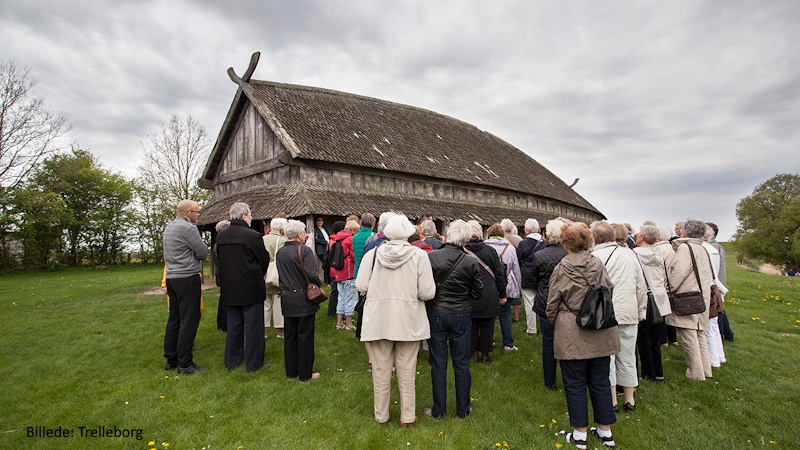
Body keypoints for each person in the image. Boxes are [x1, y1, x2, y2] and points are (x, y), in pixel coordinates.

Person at [356, 214, 436, 426]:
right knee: (407, 369)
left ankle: (381, 415)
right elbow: (427, 292)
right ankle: (407, 416)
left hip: (379, 318)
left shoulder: (372, 255)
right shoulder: (419, 256)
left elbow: (361, 285)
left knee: (380, 369)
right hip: (408, 318)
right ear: (408, 233)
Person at [547, 221, 618, 450]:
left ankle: (580, 435)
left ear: (565, 243)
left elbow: (552, 303)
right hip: (598, 326)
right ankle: (606, 432)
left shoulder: (562, 268)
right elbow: (609, 290)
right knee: (600, 381)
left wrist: (557, 323)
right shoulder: (598, 264)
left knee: (575, 383)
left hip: (572, 330)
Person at [425, 220, 483, 419]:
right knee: (462, 363)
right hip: (461, 314)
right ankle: (463, 409)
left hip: (437, 313)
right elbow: (478, 292)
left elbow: (426, 287)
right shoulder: (471, 262)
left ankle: (438, 410)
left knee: (438, 362)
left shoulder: (432, 257)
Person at [590, 221, 646, 412]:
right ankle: (629, 399)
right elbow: (640, 285)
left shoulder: (595, 257)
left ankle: (612, 399)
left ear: (595, 238)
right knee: (628, 355)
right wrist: (641, 310)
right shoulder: (630, 254)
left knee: (608, 357)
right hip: (628, 311)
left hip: (605, 312)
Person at [217, 202, 271, 372]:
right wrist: (256, 274)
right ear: (243, 216)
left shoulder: (221, 236)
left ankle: (232, 361)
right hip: (250, 288)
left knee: (234, 326)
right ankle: (254, 363)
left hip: (230, 288)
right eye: (250, 214)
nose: (251, 217)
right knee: (254, 327)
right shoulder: (252, 235)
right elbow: (264, 260)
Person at [163, 199, 208, 374]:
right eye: (197, 211)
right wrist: (193, 253)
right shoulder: (189, 228)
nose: (198, 214)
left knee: (175, 317)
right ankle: (185, 363)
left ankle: (171, 358)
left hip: (172, 277)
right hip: (187, 277)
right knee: (190, 319)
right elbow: (203, 252)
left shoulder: (170, 227)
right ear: (189, 213)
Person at [666, 219, 714, 381]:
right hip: (700, 295)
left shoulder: (685, 248)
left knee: (688, 336)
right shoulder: (702, 248)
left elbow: (678, 273)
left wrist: (669, 288)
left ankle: (695, 373)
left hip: (687, 296)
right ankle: (706, 369)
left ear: (686, 232)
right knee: (699, 335)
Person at [276, 219, 323, 382]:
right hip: (303, 298)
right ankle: (305, 374)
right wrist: (318, 281)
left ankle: (291, 372)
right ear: (298, 234)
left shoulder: (280, 252)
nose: (305, 234)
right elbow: (312, 274)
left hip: (287, 297)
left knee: (290, 336)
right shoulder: (304, 250)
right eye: (303, 232)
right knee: (305, 336)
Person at [531, 218, 568, 389]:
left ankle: (550, 382)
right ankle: (569, 379)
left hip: (545, 301)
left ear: (547, 236)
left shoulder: (539, 255)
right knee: (568, 341)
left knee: (548, 342)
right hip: (566, 303)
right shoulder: (569, 255)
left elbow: (534, 280)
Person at [633, 224, 671, 382]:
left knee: (644, 338)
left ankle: (649, 373)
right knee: (655, 338)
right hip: (659, 296)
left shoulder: (636, 254)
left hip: (646, 297)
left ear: (642, 237)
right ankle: (658, 372)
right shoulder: (658, 252)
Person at [465, 220, 506, 364]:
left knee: (472, 324)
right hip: (488, 291)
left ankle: (473, 353)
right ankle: (485, 354)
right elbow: (499, 273)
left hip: (469, 292)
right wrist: (502, 293)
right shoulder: (490, 251)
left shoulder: (463, 251)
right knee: (487, 325)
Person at [485, 223, 521, 352]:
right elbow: (516, 270)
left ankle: (489, 341)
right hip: (506, 284)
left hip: (488, 284)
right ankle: (508, 344)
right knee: (505, 315)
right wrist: (518, 288)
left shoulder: (485, 246)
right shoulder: (510, 248)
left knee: (490, 316)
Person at [702, 225, 727, 368]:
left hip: (708, 288)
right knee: (713, 326)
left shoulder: (705, 249)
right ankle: (719, 356)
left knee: (709, 327)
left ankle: (713, 360)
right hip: (714, 287)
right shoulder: (712, 249)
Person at [518, 218, 547, 333]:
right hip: (541, 274)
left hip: (527, 275)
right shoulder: (545, 242)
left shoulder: (523, 243)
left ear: (527, 231)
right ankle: (542, 323)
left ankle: (531, 329)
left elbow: (518, 258)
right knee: (541, 300)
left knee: (529, 302)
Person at [707, 222, 734, 342]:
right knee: (719, 310)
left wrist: (720, 286)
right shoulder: (713, 246)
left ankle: (724, 333)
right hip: (716, 284)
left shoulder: (715, 248)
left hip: (716, 284)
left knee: (717, 310)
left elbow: (720, 269)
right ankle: (728, 334)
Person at [262, 217, 288, 339]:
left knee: (265, 304)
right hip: (277, 274)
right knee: (278, 305)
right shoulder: (282, 240)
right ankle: (280, 332)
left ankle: (264, 332)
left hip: (264, 273)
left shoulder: (263, 239)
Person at [331, 220, 358, 330]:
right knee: (350, 298)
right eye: (356, 231)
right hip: (348, 272)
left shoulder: (338, 238)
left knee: (341, 298)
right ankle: (349, 324)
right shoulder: (350, 239)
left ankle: (339, 323)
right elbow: (353, 256)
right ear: (352, 230)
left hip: (339, 272)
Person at [213, 220, 231, 332]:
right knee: (226, 300)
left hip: (220, 273)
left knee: (223, 298)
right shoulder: (221, 244)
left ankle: (221, 322)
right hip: (224, 274)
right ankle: (225, 324)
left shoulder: (217, 244)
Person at [326, 220, 345, 317]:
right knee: (340, 292)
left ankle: (331, 312)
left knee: (334, 292)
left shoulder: (332, 240)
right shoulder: (338, 241)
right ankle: (340, 313)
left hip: (332, 269)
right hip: (338, 268)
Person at [314, 216, 330, 283]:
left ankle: (328, 281)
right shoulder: (315, 229)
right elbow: (316, 239)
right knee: (326, 264)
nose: (320, 221)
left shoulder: (324, 229)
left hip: (328, 248)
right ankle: (327, 281)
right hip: (321, 250)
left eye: (321, 220)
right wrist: (325, 242)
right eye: (318, 220)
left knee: (328, 264)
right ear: (316, 221)